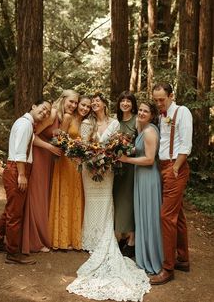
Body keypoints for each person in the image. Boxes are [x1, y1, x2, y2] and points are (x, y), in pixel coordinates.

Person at [67, 92, 150, 302]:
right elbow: (84, 146)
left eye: (97, 102)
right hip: (89, 170)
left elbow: (114, 147)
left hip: (107, 171)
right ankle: (91, 238)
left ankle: (106, 237)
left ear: (104, 103)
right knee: (91, 203)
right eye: (92, 103)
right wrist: (91, 160)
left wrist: (104, 160)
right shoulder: (87, 123)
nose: (94, 105)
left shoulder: (114, 123)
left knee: (106, 202)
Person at [0, 100, 52, 264]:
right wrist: (22, 175)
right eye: (43, 109)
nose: (45, 113)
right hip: (17, 169)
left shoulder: (28, 124)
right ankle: (12, 253)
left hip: (17, 169)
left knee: (11, 209)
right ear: (33, 106)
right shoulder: (25, 124)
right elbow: (19, 153)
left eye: (47, 112)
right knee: (15, 214)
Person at [150, 82, 193, 285]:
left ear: (171, 96)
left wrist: (175, 168)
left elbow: (186, 143)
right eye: (156, 100)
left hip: (175, 167)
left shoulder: (182, 112)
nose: (159, 103)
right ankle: (183, 259)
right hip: (164, 166)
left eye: (162, 99)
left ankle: (168, 268)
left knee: (166, 216)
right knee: (178, 215)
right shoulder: (161, 115)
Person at [119, 100, 163, 274]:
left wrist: (126, 159)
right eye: (141, 110)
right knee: (142, 216)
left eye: (146, 111)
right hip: (141, 177)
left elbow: (150, 159)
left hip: (148, 178)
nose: (142, 113)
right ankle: (144, 253)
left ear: (152, 115)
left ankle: (152, 257)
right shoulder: (142, 129)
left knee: (148, 216)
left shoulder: (150, 131)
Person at [49, 92, 91, 250]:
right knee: (66, 195)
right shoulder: (68, 118)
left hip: (79, 164)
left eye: (87, 106)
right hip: (67, 162)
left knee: (76, 195)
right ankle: (61, 239)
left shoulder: (87, 122)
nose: (84, 108)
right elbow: (60, 139)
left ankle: (75, 238)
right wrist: (73, 147)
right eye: (82, 105)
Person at [22, 106, 62, 254]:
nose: (74, 105)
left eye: (76, 103)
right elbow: (32, 136)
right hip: (39, 156)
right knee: (36, 197)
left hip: (47, 159)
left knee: (43, 198)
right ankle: (33, 241)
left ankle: (38, 236)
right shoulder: (52, 113)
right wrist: (50, 147)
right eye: (71, 101)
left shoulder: (61, 117)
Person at [113, 91, 138, 258]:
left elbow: (142, 142)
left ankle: (132, 239)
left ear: (133, 104)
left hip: (132, 166)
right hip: (116, 167)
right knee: (117, 199)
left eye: (129, 101)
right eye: (123, 100)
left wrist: (130, 151)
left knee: (128, 200)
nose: (125, 103)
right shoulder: (115, 121)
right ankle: (121, 235)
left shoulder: (138, 119)